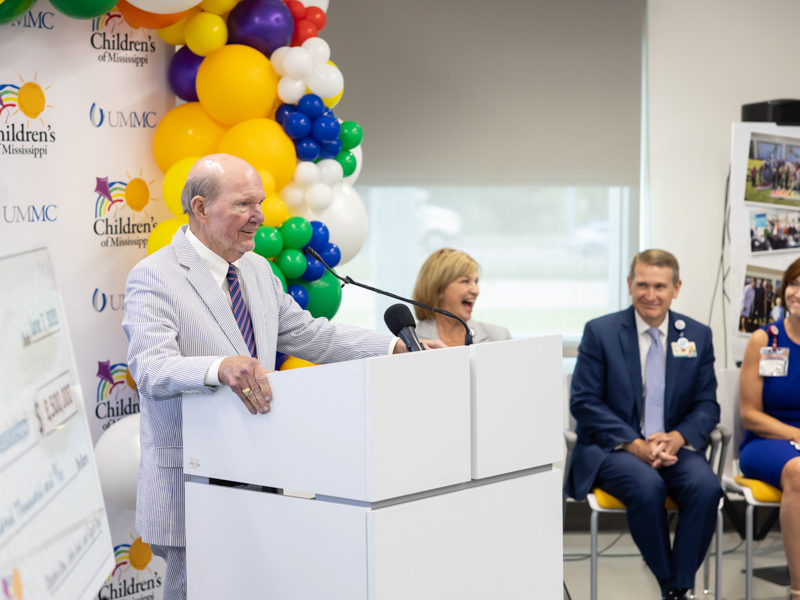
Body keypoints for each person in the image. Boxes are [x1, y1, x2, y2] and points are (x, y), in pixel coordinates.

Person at [122, 154, 444, 600]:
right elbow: (151, 367)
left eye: (259, 202)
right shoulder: (154, 276)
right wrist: (220, 368)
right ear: (200, 208)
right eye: (243, 205)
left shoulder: (256, 269)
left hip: (262, 474)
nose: (258, 216)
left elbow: (309, 334)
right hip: (191, 488)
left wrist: (395, 347)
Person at [567, 249, 721, 600]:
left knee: (706, 488)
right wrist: (633, 443)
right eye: (642, 285)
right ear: (629, 284)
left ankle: (677, 586)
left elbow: (707, 404)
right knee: (648, 487)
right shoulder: (601, 332)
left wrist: (679, 437)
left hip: (672, 447)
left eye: (660, 286)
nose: (650, 295)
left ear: (676, 288)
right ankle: (675, 587)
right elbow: (584, 401)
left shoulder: (697, 335)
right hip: (615, 447)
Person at [739, 257, 800, 597]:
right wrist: (795, 434)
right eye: (794, 284)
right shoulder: (765, 339)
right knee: (799, 471)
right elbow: (750, 415)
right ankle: (798, 589)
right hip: (767, 441)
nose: (799, 293)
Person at [412, 248, 511, 346]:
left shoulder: (499, 337)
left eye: (476, 281)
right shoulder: (409, 341)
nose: (476, 290)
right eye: (465, 281)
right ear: (439, 288)